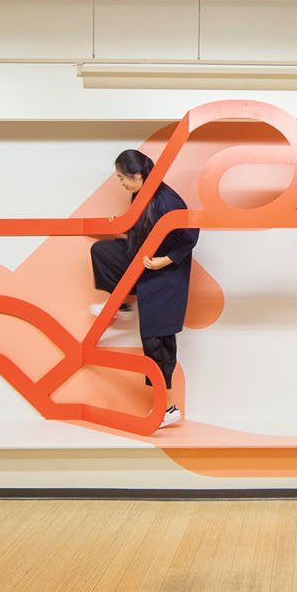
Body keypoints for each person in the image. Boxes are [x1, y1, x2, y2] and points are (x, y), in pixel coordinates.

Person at [89, 149, 198, 429]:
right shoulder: (140, 194)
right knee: (103, 252)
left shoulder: (169, 201)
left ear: (138, 175)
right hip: (141, 259)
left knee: (157, 342)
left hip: (165, 275)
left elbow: (190, 234)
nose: (121, 183)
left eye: (122, 178)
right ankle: (123, 304)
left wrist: (167, 259)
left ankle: (168, 407)